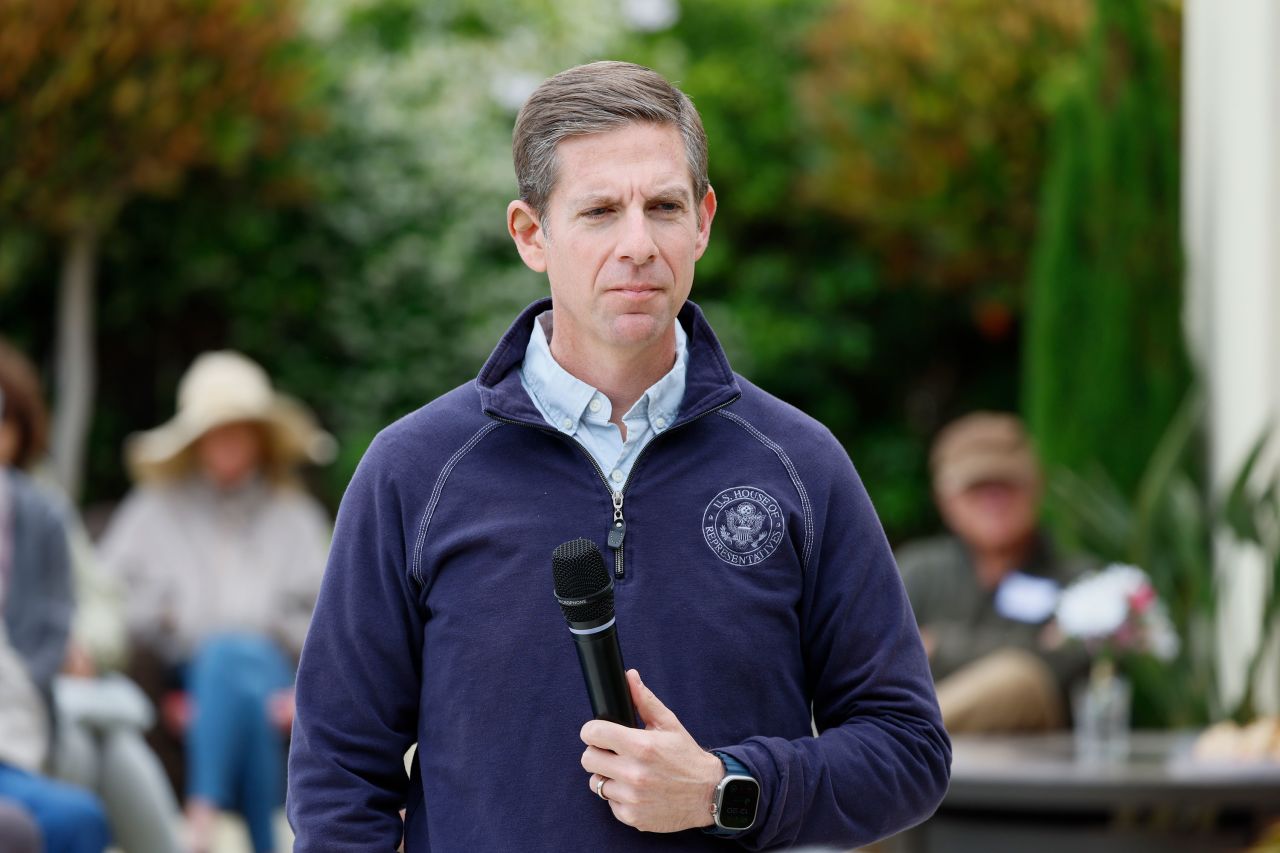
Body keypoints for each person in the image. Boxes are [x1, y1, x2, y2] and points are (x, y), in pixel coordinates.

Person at [288, 61, 950, 851]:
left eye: (663, 206)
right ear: (532, 234)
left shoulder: (800, 465)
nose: (638, 243)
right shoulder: (415, 471)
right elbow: (337, 773)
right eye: (600, 210)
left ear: (702, 221)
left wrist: (729, 787)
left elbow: (909, 749)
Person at [99, 351, 334, 853]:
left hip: (277, 678)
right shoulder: (152, 510)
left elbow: (330, 619)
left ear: (259, 437)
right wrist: (164, 683)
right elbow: (111, 599)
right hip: (184, 676)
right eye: (216, 430)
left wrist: (300, 696)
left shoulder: (296, 517)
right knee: (229, 669)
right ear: (196, 439)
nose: (228, 441)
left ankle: (199, 819)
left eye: (239, 429)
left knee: (235, 660)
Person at [0, 336, 183, 852]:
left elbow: (99, 598)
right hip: (34, 702)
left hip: (60, 682)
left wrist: (80, 645)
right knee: (93, 751)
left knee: (111, 746)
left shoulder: (41, 510)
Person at [895, 412, 1092, 733]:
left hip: (1036, 761)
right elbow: (880, 662)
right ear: (945, 499)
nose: (994, 501)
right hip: (925, 769)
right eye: (977, 488)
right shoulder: (917, 569)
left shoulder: (1079, 579)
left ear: (1037, 488)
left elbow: (1062, 666)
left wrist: (939, 646)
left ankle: (889, 741)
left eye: (1007, 485)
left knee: (1017, 680)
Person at [0, 379, 112, 853]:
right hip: (35, 712)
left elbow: (78, 609)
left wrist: (82, 650)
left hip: (36, 700)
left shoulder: (41, 511)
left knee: (101, 771)